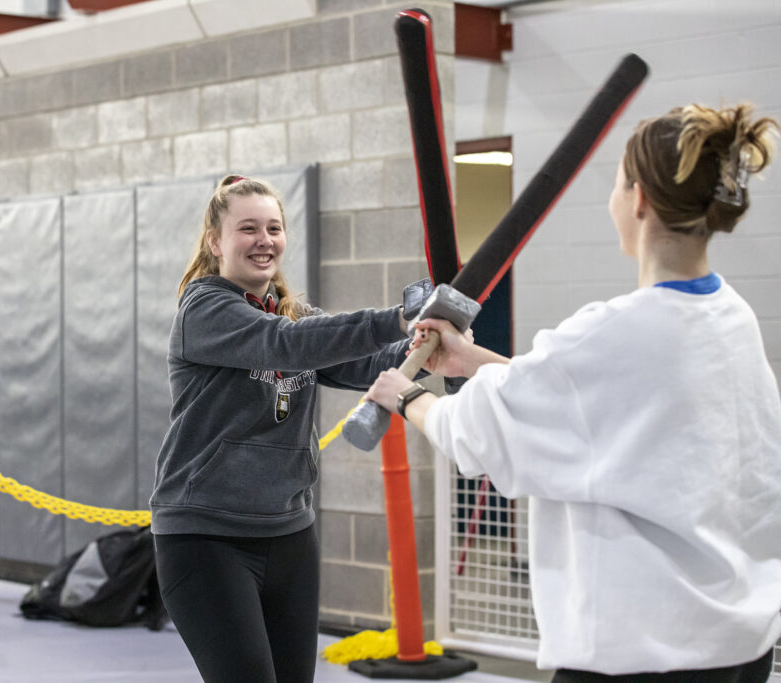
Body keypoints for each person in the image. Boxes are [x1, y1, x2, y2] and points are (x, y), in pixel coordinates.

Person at [367, 103, 781, 681]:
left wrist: (405, 396)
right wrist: (472, 360)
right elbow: (584, 400)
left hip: (642, 654)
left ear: (637, 201)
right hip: (739, 646)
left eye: (615, 184)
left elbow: (473, 433)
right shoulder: (728, 314)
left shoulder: (611, 329)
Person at [150, 174, 424, 682]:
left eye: (273, 227)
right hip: (208, 538)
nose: (264, 240)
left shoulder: (290, 315)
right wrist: (398, 318)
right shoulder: (205, 310)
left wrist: (430, 346)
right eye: (248, 228)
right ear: (216, 241)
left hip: (290, 534)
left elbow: (369, 364)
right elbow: (288, 345)